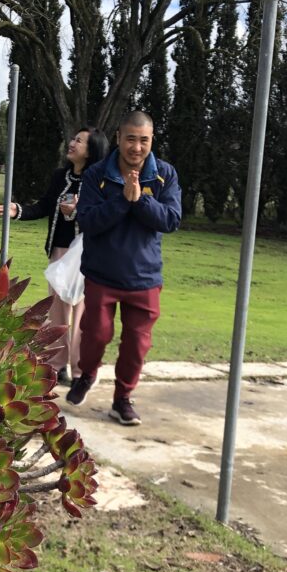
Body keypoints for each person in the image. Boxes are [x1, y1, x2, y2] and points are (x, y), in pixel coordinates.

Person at [65, 110, 181, 424]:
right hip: (102, 274)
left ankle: (122, 399)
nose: (137, 147)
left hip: (144, 278)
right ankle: (87, 374)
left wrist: (141, 200)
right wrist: (121, 201)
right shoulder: (96, 174)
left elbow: (171, 219)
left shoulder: (164, 175)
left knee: (137, 344)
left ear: (151, 140)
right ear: (118, 138)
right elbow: (87, 220)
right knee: (96, 335)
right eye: (131, 139)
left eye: (144, 140)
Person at [0, 127, 109, 385]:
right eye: (73, 139)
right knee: (57, 310)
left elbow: (105, 217)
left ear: (91, 151)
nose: (72, 144)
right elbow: (44, 206)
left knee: (82, 314)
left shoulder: (100, 181)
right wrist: (18, 211)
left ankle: (82, 371)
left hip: (87, 254)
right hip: (59, 252)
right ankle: (58, 366)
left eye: (79, 141)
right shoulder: (60, 177)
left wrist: (79, 212)